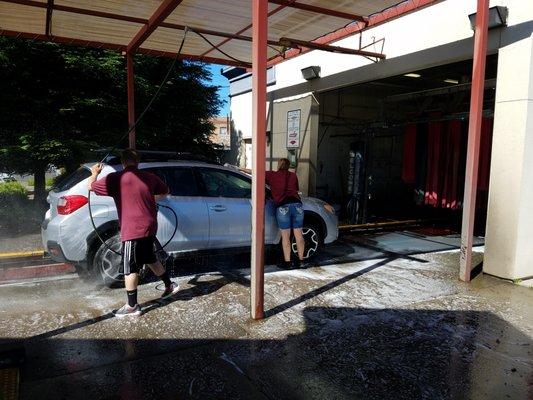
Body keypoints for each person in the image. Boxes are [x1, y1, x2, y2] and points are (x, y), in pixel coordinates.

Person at [88, 149, 179, 317]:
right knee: (149, 258)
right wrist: (151, 198)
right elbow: (165, 191)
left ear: (123, 162)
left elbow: (91, 187)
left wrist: (94, 173)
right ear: (137, 162)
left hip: (133, 229)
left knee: (129, 268)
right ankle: (170, 285)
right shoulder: (150, 177)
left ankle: (132, 306)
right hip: (150, 226)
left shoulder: (115, 178)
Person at [241, 158, 305, 269]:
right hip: (297, 205)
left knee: (286, 236)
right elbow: (296, 190)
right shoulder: (293, 176)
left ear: (278, 165)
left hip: (283, 206)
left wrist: (238, 168)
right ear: (288, 166)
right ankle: (301, 261)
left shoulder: (272, 175)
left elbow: (255, 172)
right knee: (299, 235)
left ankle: (288, 263)